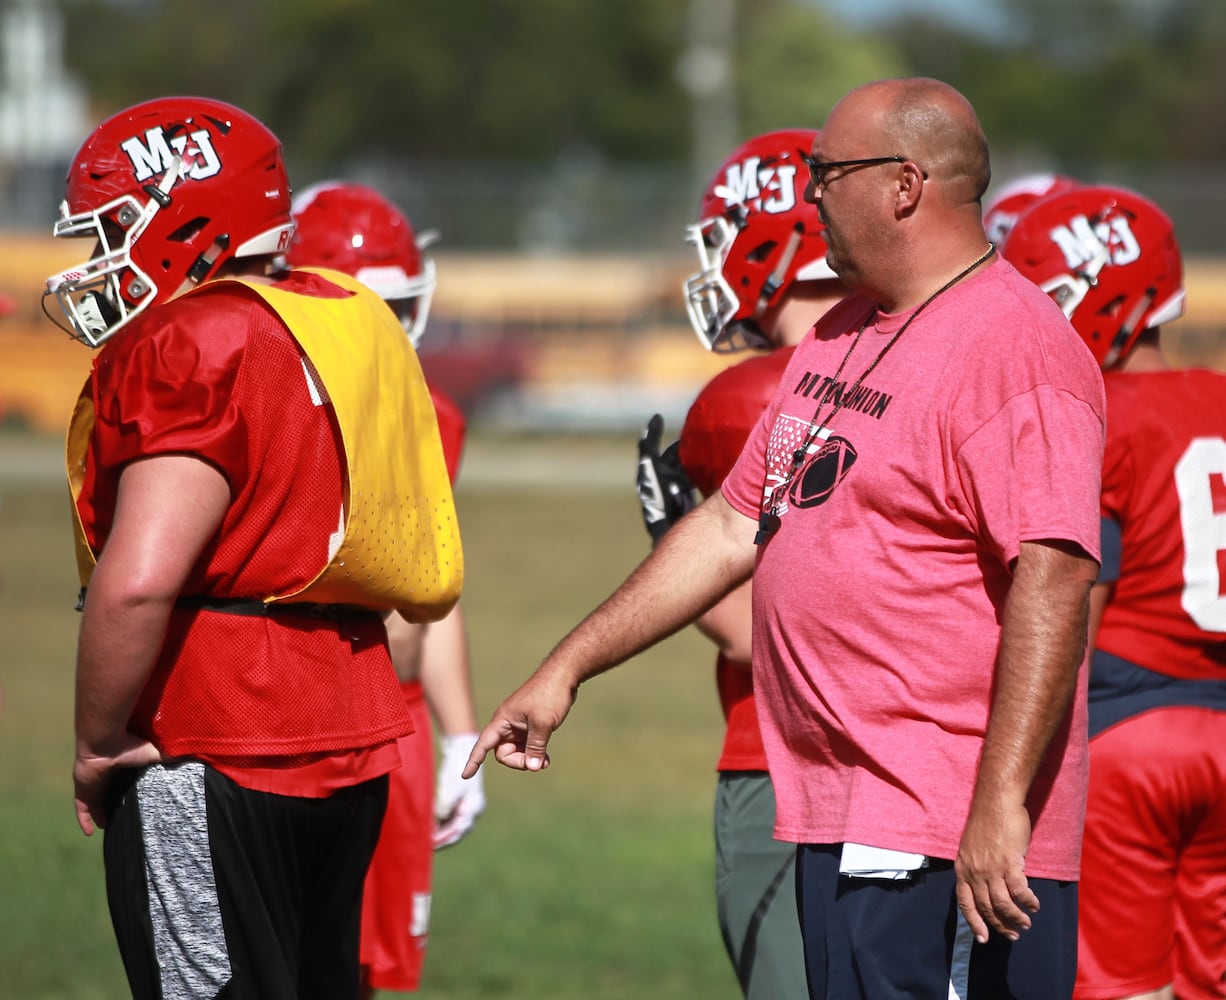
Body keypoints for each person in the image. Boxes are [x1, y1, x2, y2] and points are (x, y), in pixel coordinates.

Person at [465, 77, 1107, 1000]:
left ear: (903, 183)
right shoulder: (846, 330)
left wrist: (1000, 805)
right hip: (840, 812)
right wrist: (568, 667)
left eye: (826, 173)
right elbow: (733, 524)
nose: (810, 200)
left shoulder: (1016, 349)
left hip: (948, 834)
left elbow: (1052, 581)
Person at [45, 97, 462, 1000]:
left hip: (216, 733)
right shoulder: (343, 316)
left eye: (111, 227)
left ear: (183, 216)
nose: (96, 258)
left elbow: (139, 583)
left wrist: (97, 739)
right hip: (349, 723)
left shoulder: (193, 337)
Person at [635, 129, 845, 1000]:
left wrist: (666, 525)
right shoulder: (909, 363)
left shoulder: (755, 397)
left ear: (776, 240)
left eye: (726, 240)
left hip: (782, 757)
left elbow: (744, 631)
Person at [1003, 185, 1226, 1000]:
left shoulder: (1100, 416)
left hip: (1130, 736)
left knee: (1121, 990)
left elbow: (1072, 610)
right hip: (1222, 724)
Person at [287, 180, 486, 998]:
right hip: (286, 716)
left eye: (399, 305)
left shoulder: (430, 415)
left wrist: (457, 738)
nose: (390, 329)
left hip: (392, 716)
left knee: (370, 975)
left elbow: (429, 587)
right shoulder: (268, 400)